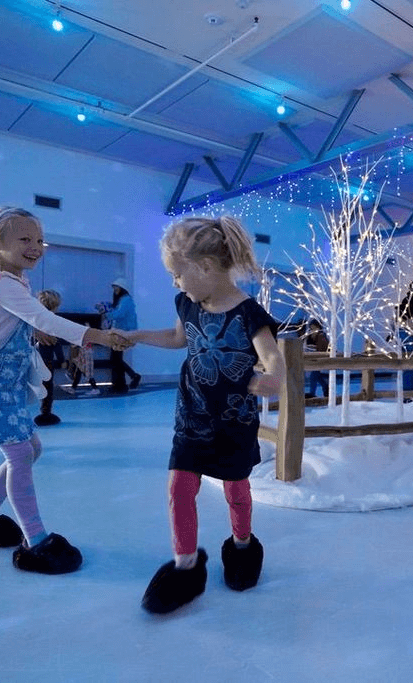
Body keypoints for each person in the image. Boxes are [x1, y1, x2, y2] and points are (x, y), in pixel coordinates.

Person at [0, 207, 130, 575]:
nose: (35, 247)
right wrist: (99, 336)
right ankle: (36, 539)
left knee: (31, 449)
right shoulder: (1, 283)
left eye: (40, 240)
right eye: (25, 239)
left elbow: (27, 321)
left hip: (2, 385)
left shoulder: (13, 282)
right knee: (20, 455)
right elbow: (43, 317)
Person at [121, 215, 284, 614]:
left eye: (178, 275)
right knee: (179, 487)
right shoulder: (188, 304)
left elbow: (272, 356)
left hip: (234, 421)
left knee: (235, 488)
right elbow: (178, 338)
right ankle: (185, 565)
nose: (176, 284)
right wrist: (137, 336)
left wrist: (274, 378)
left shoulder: (249, 313)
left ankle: (242, 545)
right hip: (192, 418)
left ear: (206, 267)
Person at [98, 278, 141, 394]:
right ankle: (128, 379)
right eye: (114, 288)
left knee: (116, 359)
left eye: (116, 287)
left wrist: (106, 314)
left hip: (124, 333)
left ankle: (120, 385)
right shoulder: (125, 300)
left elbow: (119, 314)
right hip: (122, 332)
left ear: (122, 288)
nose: (115, 290)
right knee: (117, 359)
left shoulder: (126, 300)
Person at [33, 290, 67, 426]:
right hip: (47, 360)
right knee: (48, 386)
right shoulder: (53, 321)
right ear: (55, 305)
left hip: (35, 358)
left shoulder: (36, 319)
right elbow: (56, 343)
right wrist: (62, 360)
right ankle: (45, 412)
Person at [65, 324, 101, 395]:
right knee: (79, 370)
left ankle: (95, 388)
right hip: (84, 352)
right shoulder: (88, 334)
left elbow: (78, 344)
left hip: (85, 353)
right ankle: (73, 388)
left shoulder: (86, 334)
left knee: (86, 371)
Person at [303, 318, 329, 398]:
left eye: (314, 327)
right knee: (316, 375)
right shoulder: (311, 336)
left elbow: (322, 349)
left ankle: (313, 393)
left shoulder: (321, 336)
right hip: (315, 358)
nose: (312, 329)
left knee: (314, 375)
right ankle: (325, 387)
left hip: (320, 358)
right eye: (311, 328)